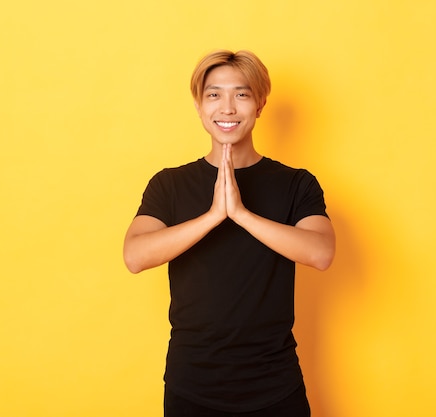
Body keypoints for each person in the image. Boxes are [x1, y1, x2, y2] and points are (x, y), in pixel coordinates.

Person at [123, 49, 335, 417]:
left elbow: (321, 253)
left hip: (275, 383)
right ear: (199, 105)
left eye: (241, 94)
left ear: (260, 105)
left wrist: (241, 214)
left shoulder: (296, 184)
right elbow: (135, 256)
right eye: (214, 94)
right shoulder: (169, 184)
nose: (227, 108)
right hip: (192, 385)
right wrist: (212, 216)